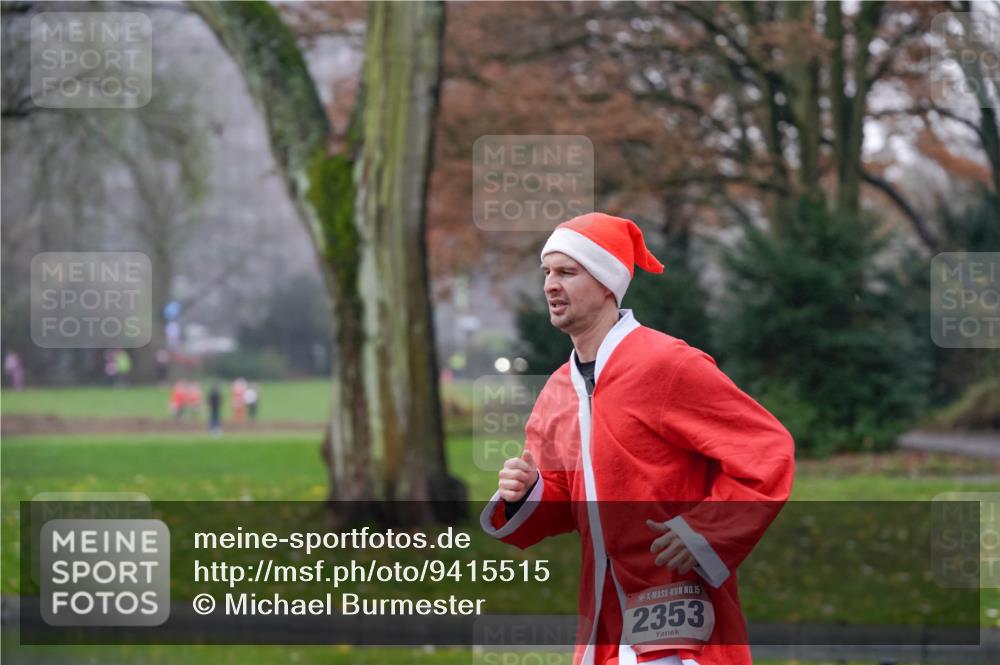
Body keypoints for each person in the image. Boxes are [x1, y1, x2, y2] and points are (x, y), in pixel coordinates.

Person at [481, 213, 795, 665]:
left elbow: (765, 450)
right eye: (546, 272)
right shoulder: (557, 389)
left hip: (677, 611)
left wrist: (705, 532)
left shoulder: (667, 364)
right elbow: (565, 496)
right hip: (602, 615)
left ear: (607, 284)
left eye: (567, 272)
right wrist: (528, 491)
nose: (551, 285)